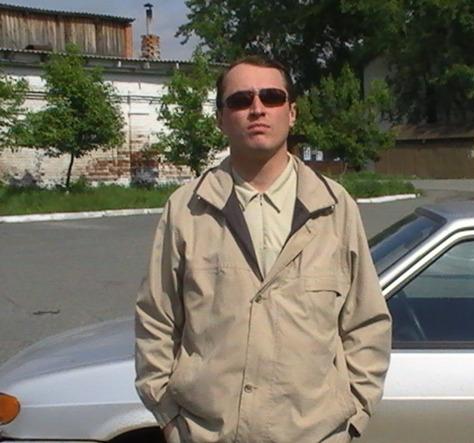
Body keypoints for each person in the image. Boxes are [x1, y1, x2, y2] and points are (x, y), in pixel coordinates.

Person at [135, 55, 391, 443]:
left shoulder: (334, 207)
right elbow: (156, 317)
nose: (257, 109)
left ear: (292, 113)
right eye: (240, 100)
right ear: (220, 119)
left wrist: (354, 414)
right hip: (208, 434)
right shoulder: (188, 208)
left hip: (314, 434)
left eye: (271, 97)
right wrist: (169, 418)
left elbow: (366, 321)